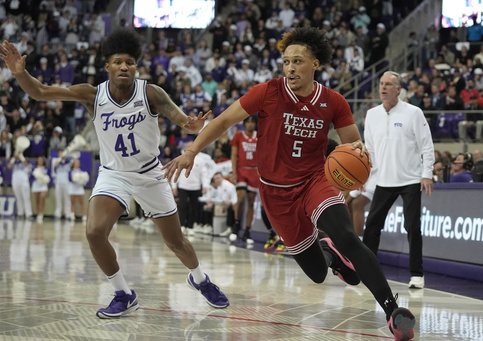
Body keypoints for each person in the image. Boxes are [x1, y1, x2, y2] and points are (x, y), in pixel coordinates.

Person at [163, 27, 416, 341]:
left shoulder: (334, 101)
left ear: (315, 64)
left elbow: (352, 145)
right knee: (317, 273)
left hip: (315, 181)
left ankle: (394, 312)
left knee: (348, 235)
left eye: (298, 61)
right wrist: (190, 151)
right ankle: (329, 254)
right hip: (275, 193)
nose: (291, 67)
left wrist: (359, 152)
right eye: (286, 62)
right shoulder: (268, 91)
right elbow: (224, 121)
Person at [0, 28, 229, 318]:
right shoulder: (92, 94)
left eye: (130, 62)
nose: (124, 66)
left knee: (176, 242)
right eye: (118, 61)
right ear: (107, 65)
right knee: (95, 232)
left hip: (149, 174)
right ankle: (123, 292)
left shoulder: (151, 92)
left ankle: (200, 279)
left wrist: (191, 125)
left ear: (136, 67)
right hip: (114, 174)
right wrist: (20, 73)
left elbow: (181, 119)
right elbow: (40, 92)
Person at [363, 71, 435, 291]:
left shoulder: (413, 113)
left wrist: (427, 173)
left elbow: (426, 145)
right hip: (383, 180)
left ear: (398, 89)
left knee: (413, 226)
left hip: (410, 179)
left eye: (388, 84)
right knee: (372, 227)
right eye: (381, 84)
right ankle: (365, 271)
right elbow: (370, 151)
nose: (383, 87)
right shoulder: (372, 114)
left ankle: (416, 274)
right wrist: (365, 177)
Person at [228, 116, 259, 244]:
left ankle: (247, 230)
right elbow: (234, 155)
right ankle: (236, 225)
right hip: (241, 169)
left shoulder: (260, 136)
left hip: (254, 171)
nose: (250, 124)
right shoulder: (238, 136)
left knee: (251, 202)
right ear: (245, 124)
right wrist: (234, 173)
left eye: (252, 122)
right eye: (248, 122)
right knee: (240, 198)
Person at [52, 150, 73, 220]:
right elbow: (55, 165)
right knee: (58, 198)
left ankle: (68, 214)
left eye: (62, 153)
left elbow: (72, 163)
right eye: (60, 154)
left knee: (67, 198)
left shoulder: (68, 161)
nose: (61, 155)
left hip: (66, 182)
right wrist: (60, 158)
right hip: (58, 182)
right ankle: (58, 213)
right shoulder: (56, 161)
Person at [31, 155, 50, 223]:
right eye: (39, 160)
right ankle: (38, 213)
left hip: (43, 185)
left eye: (41, 160)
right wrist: (36, 176)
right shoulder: (34, 168)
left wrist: (43, 178)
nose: (40, 161)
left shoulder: (46, 169)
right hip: (36, 184)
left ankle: (42, 212)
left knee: (42, 197)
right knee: (37, 200)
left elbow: (48, 177)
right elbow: (31, 177)